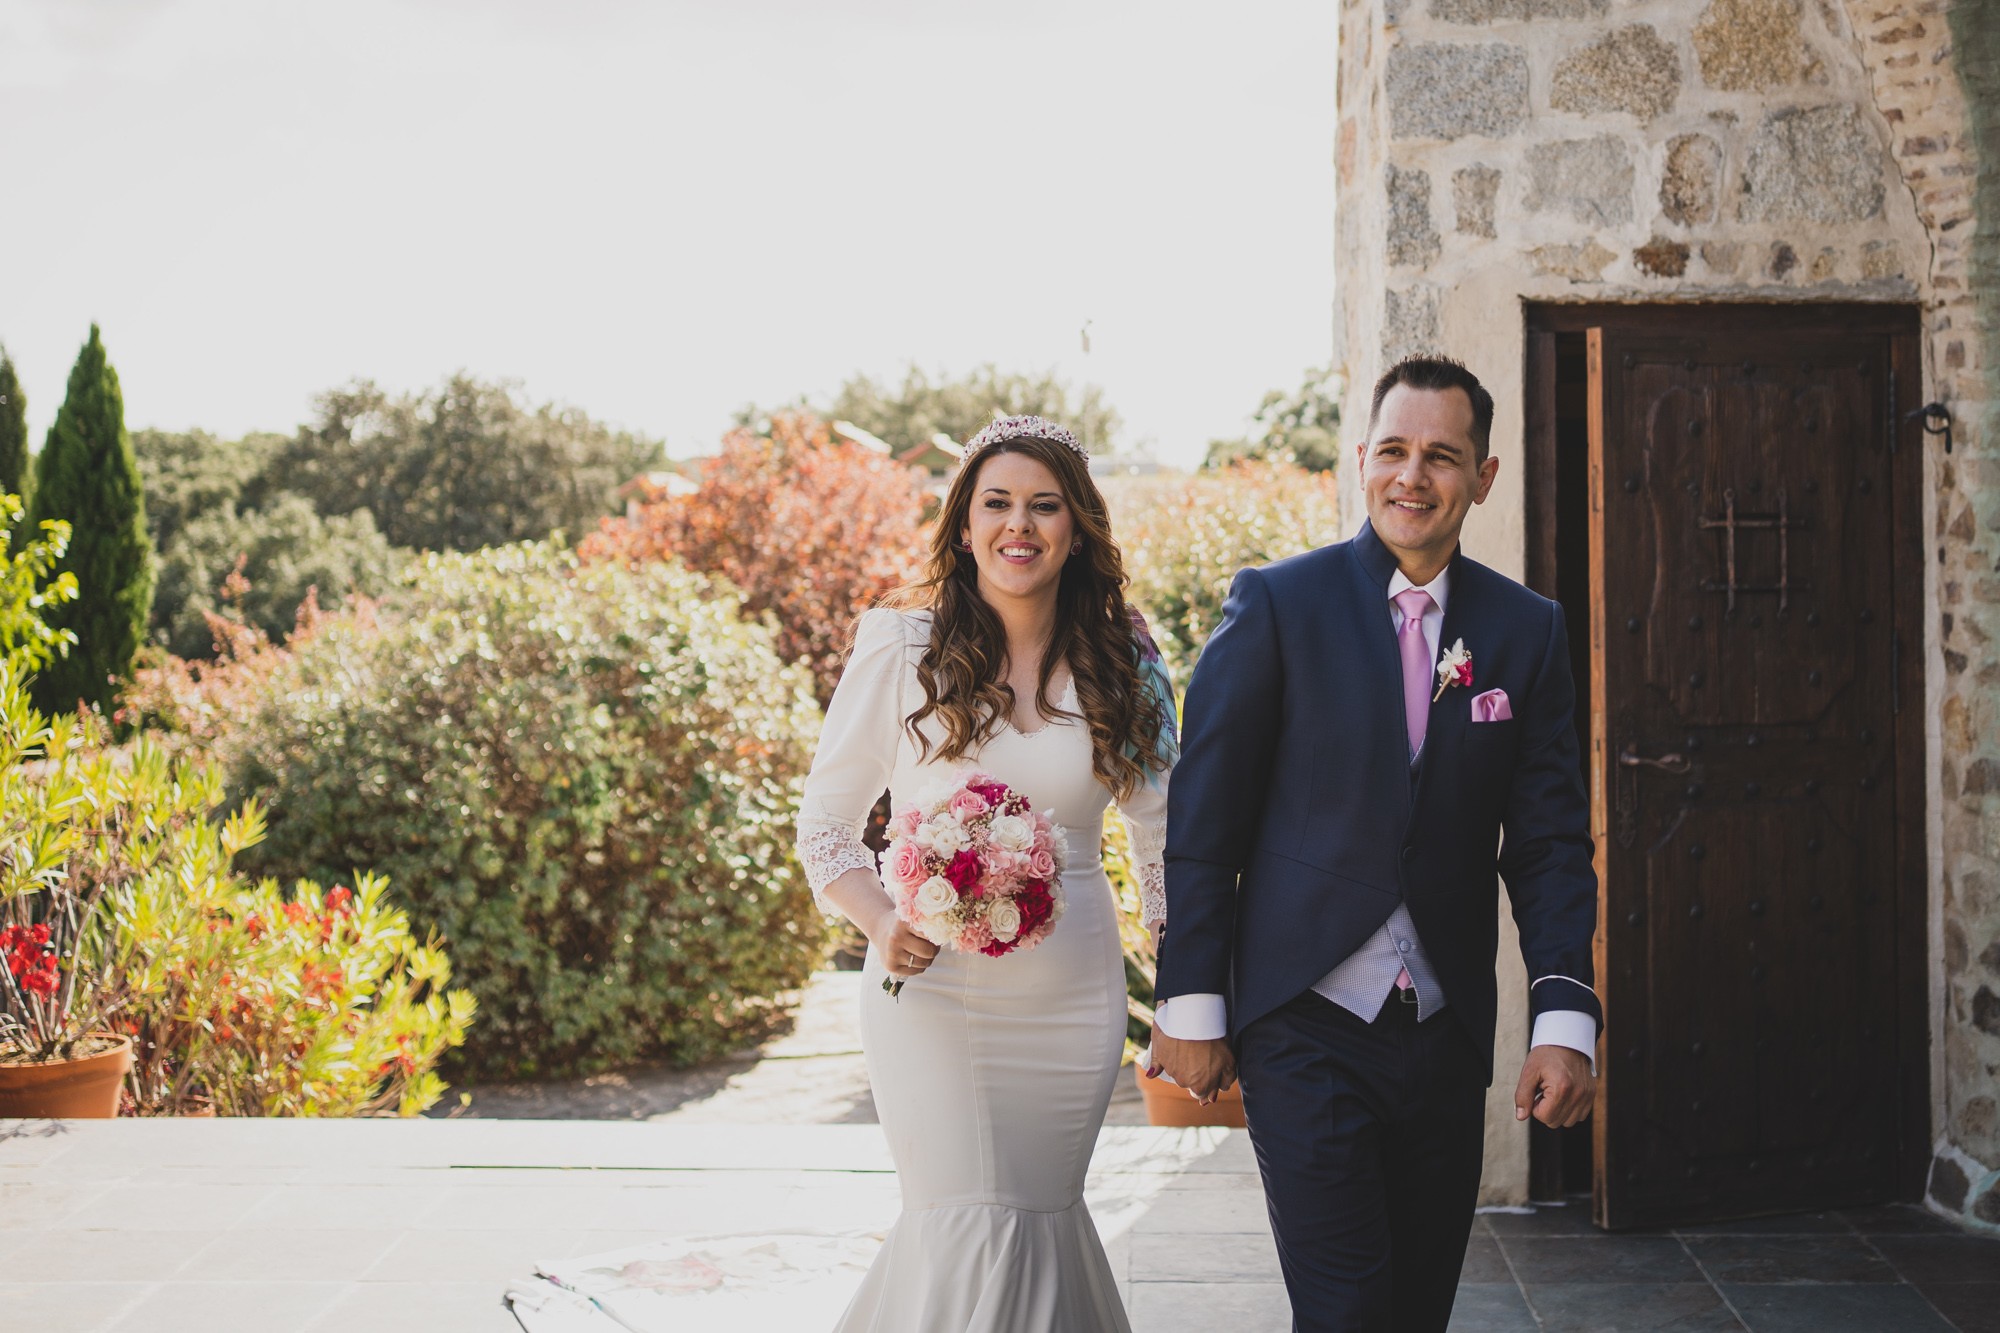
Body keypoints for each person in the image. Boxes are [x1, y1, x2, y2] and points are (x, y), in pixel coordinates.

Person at [1149, 356, 1602, 1332]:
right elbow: (1206, 816)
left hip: (1444, 1034)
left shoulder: (1526, 631)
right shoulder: (1277, 605)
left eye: (1441, 455)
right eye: (1393, 450)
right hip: (1301, 1024)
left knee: (1414, 1311)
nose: (1412, 475)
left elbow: (1549, 843)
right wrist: (1190, 999)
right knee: (1347, 1309)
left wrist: (1564, 1019)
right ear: (1360, 461)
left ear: (1482, 475)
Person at [795, 414, 1177, 1332]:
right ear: (964, 526)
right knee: (960, 1216)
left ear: (1077, 526)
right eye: (996, 503)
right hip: (929, 994)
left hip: (1070, 997)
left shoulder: (1128, 658)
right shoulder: (901, 647)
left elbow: (1167, 840)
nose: (1019, 525)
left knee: (1038, 1215)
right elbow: (826, 829)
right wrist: (882, 919)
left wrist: (1185, 990)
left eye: (1045, 505)